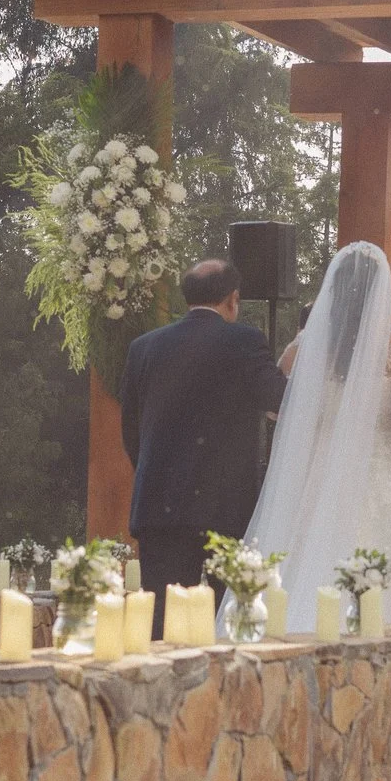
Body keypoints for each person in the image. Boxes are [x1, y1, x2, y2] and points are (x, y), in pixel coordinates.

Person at [247, 242, 391, 629]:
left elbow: (275, 405)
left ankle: (296, 622)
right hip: (380, 458)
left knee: (307, 545)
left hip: (316, 463)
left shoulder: (308, 343)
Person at [120, 259, 288, 638]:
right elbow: (280, 401)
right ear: (233, 299)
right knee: (226, 625)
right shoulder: (243, 341)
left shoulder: (143, 348)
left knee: (161, 625)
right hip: (225, 506)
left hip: (158, 505)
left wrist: (158, 474)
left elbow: (131, 431)